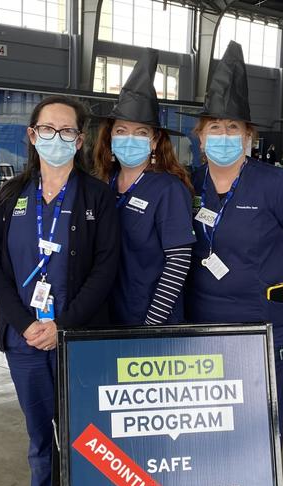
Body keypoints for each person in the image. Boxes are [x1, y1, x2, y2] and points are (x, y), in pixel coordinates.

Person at [184, 41, 283, 439]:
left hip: (265, 321)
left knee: (261, 415)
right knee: (213, 416)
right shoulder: (191, 183)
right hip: (204, 319)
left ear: (248, 135)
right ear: (201, 136)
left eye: (233, 128)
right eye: (215, 127)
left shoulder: (274, 183)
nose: (223, 135)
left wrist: (262, 273)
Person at [0, 95, 119, 486]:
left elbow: (105, 268)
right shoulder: (12, 195)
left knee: (87, 435)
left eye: (66, 131)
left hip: (79, 338)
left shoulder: (97, 196)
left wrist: (63, 325)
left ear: (79, 141)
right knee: (40, 438)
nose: (55, 137)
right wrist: (25, 324)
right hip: (24, 340)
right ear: (32, 135)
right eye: (47, 129)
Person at [93, 49, 195, 326]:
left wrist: (151, 324)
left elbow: (178, 262)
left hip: (151, 320)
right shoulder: (105, 184)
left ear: (153, 141)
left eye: (141, 133)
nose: (130, 139)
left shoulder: (167, 189)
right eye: (121, 131)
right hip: (108, 316)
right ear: (110, 137)